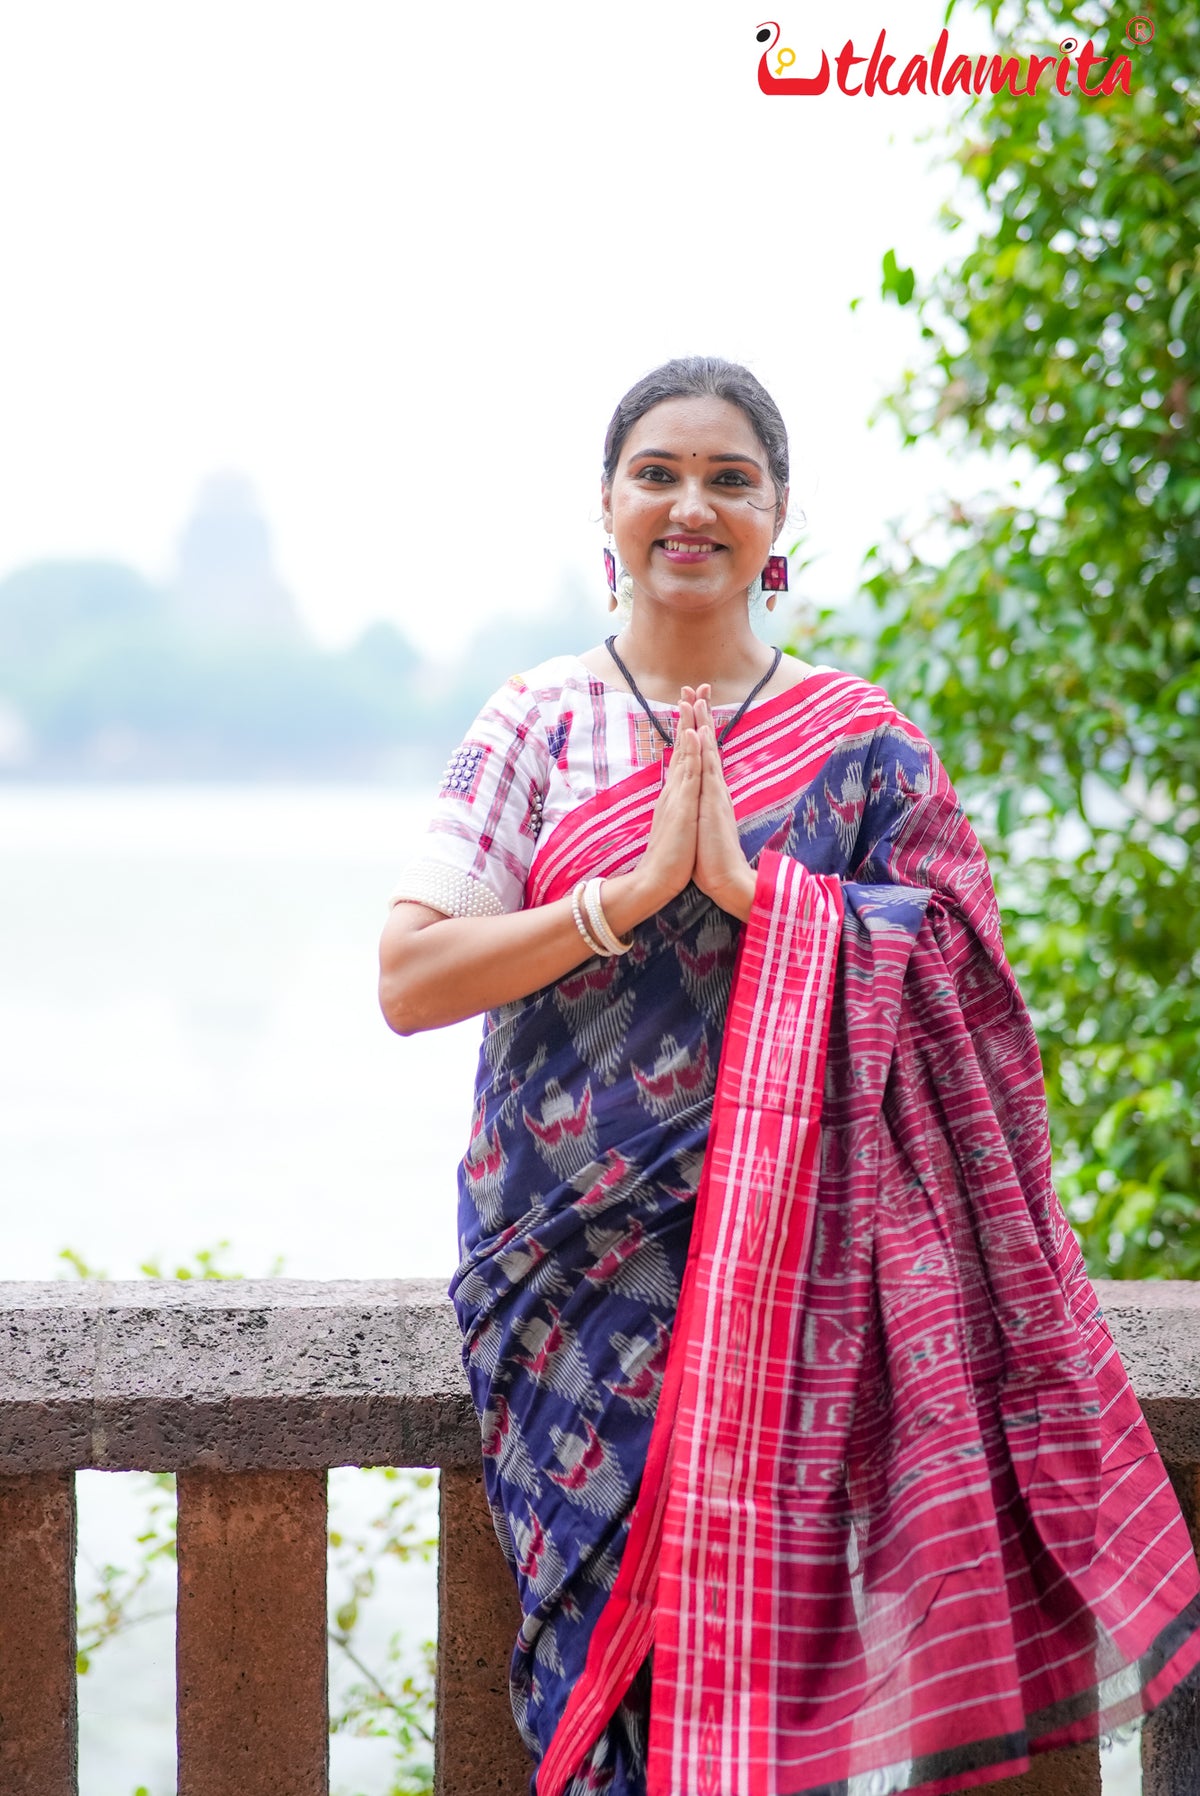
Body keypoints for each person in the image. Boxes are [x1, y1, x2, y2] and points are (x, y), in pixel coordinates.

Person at [378, 357, 1200, 1796]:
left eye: (728, 479)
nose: (691, 506)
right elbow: (407, 980)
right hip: (564, 1275)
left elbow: (971, 988)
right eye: (658, 474)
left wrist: (768, 899)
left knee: (769, 1682)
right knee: (592, 1654)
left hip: (796, 1280)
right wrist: (622, 900)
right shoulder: (536, 720)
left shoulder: (863, 739)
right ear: (608, 508)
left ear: (776, 519)